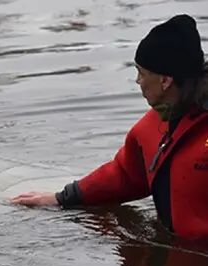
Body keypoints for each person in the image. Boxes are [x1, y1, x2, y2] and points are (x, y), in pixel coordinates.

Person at [10, 14, 208, 240]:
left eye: (142, 73)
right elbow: (124, 175)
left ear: (165, 81)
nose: (138, 81)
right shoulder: (150, 128)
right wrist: (61, 198)